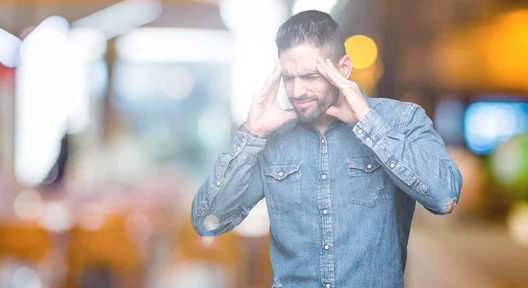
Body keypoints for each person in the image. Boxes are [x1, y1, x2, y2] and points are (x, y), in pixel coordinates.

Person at [191, 10, 462, 288]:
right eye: (288, 77)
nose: (296, 91)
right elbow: (206, 220)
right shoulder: (272, 138)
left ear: (342, 69)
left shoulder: (401, 120)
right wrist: (252, 134)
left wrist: (369, 124)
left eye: (310, 75)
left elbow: (445, 196)